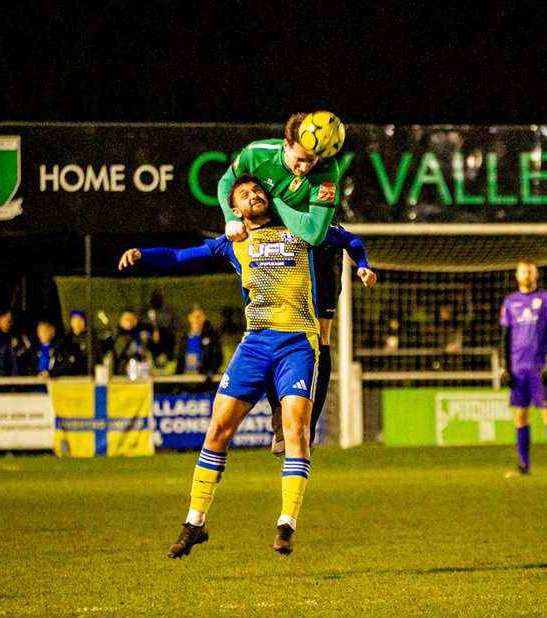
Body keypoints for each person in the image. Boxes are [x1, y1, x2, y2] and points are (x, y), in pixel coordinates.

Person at [118, 173, 375, 558]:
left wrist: (363, 265)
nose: (254, 195)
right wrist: (142, 254)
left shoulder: (299, 228)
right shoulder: (234, 242)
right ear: (233, 209)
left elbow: (348, 239)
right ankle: (194, 523)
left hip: (297, 344)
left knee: (296, 429)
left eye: (257, 191)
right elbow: (179, 257)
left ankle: (286, 524)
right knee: (218, 428)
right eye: (244, 194)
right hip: (255, 344)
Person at [218, 112, 345, 455]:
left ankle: (304, 428)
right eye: (300, 159)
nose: (306, 168)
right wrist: (232, 218)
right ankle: (281, 425)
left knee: (321, 334)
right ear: (286, 145)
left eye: (313, 160)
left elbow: (314, 232)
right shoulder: (258, 153)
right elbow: (223, 184)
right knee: (274, 327)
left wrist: (274, 202)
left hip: (318, 253)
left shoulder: (326, 171)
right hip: (275, 251)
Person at [500, 259, 547, 478]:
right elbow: (505, 337)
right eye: (522, 271)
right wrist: (505, 367)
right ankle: (524, 466)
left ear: (536, 275)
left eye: (530, 271)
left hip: (539, 367)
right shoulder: (510, 302)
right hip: (518, 368)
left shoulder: (546, 299)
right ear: (517, 275)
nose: (526, 274)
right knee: (520, 416)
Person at [176, 304, 223, 378]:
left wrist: (210, 372)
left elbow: (217, 359)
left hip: (203, 381)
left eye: (200, 316)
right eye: (194, 316)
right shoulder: (184, 339)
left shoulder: (212, 338)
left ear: (204, 318)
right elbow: (179, 360)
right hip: (185, 380)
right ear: (189, 318)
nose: (197, 319)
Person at [0, 310, 32, 374]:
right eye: (6, 317)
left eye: (10, 317)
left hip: (18, 374)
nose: (8, 320)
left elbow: (28, 352)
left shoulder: (19, 335)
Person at [66, 310, 93, 375]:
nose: (78, 322)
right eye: (75, 320)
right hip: (70, 374)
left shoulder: (89, 337)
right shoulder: (67, 338)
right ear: (71, 322)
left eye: (80, 320)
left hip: (86, 374)